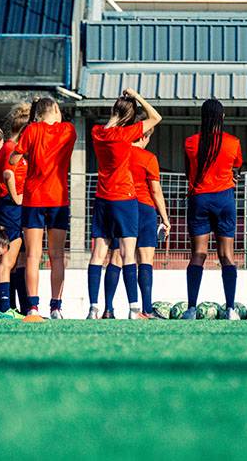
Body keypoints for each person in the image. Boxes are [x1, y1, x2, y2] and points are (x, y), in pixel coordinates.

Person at [87, 89, 162, 320]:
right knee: (128, 254)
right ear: (130, 118)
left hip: (102, 198)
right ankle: (133, 308)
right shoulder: (126, 135)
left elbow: (112, 123)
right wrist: (138, 96)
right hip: (125, 199)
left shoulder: (97, 132)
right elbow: (156, 117)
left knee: (99, 255)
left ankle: (94, 307)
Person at [9, 96, 77, 319]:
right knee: (57, 255)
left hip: (34, 198)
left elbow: (12, 161)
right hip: (58, 198)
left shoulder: (31, 131)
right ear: (56, 109)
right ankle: (56, 307)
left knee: (32, 256)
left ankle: (32, 307)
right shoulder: (68, 130)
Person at [182, 99, 243, 320]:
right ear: (222, 117)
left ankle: (191, 309)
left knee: (198, 254)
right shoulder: (233, 142)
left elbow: (189, 172)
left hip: (199, 198)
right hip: (224, 199)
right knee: (227, 255)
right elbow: (236, 168)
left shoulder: (190, 142)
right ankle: (230, 309)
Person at [0, 103, 31, 319]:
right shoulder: (12, 148)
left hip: (7, 206)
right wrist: (15, 197)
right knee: (7, 259)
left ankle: (15, 306)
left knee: (16, 260)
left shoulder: (8, 147)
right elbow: (8, 173)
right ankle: (4, 307)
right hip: (11, 208)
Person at [129, 126, 170, 318]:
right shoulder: (148, 158)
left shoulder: (119, 152)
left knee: (120, 258)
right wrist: (165, 218)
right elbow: (155, 191)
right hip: (145, 209)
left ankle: (108, 308)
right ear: (144, 136)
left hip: (122, 206)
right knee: (145, 260)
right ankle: (146, 308)